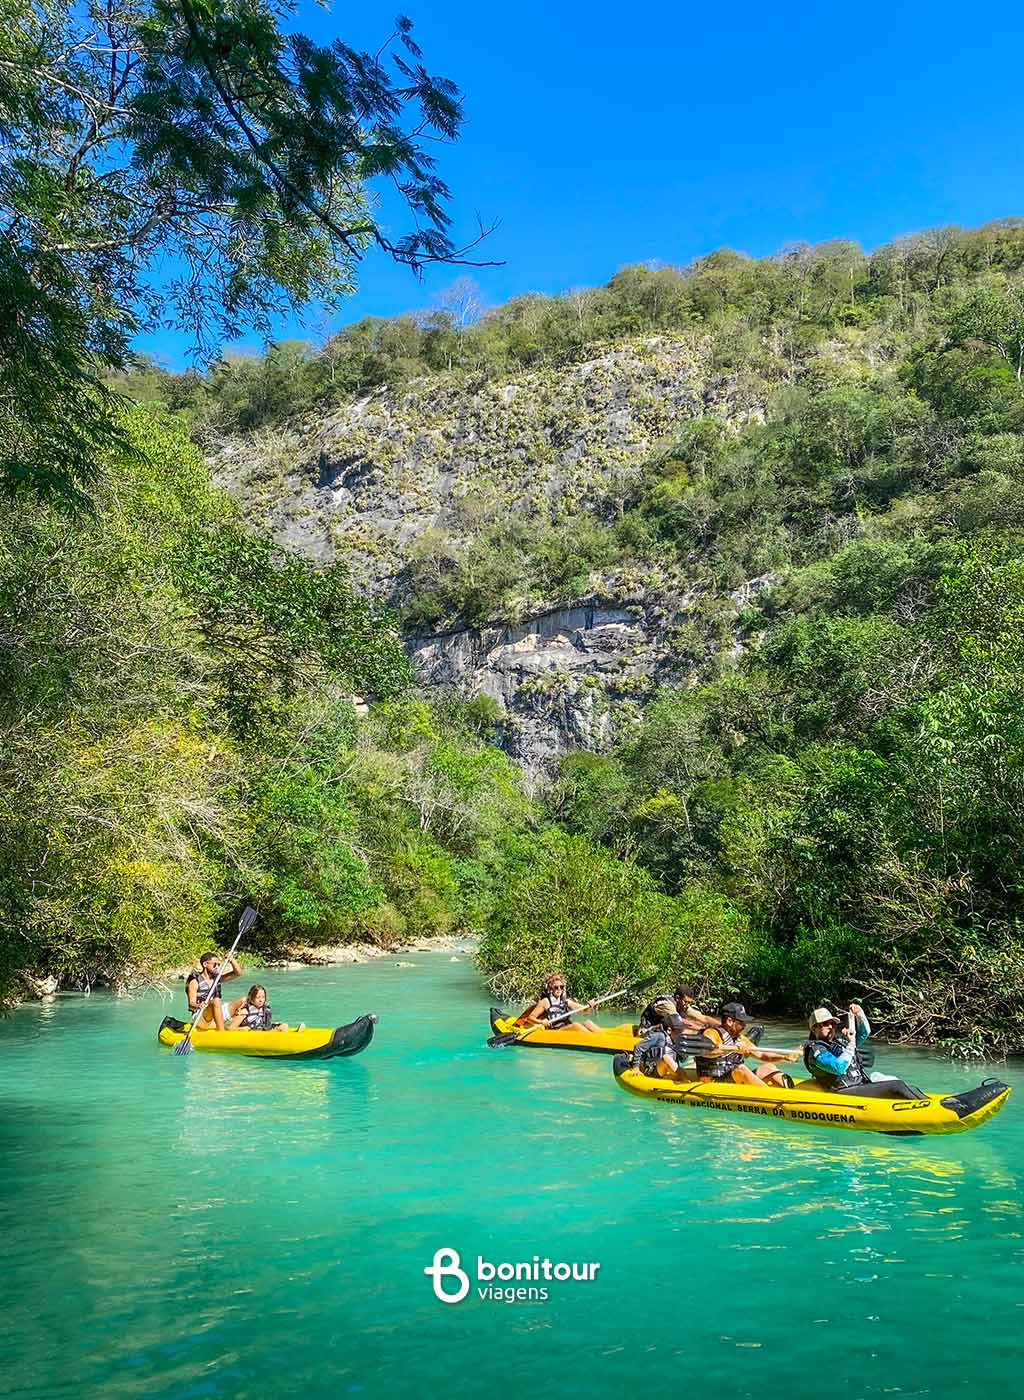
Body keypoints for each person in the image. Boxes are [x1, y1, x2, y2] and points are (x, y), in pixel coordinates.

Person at [804, 1005, 924, 1100]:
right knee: (896, 1086)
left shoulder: (840, 1041)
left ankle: (930, 1103)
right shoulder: (817, 1050)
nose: (830, 1027)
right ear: (814, 1029)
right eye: (825, 1024)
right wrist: (851, 1044)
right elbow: (837, 1067)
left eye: (833, 1024)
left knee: (910, 1087)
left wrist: (860, 1014)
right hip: (841, 1091)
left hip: (859, 1084)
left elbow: (864, 1033)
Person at [694, 1002, 801, 1088]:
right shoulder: (711, 1033)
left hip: (732, 1079)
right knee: (741, 1069)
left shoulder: (740, 1039)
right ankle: (772, 1098)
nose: (745, 1026)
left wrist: (784, 1057)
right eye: (741, 1022)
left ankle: (789, 1093)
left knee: (769, 1067)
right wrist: (733, 1049)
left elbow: (762, 1055)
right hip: (713, 1082)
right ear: (730, 1021)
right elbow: (706, 1051)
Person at [520, 973, 600, 1034]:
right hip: (556, 1030)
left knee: (587, 1022)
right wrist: (541, 1022)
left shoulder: (566, 1001)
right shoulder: (545, 1002)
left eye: (561, 987)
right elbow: (530, 1018)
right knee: (576, 1025)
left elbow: (585, 1010)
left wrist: (590, 1005)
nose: (559, 989)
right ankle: (597, 1040)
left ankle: (605, 1038)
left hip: (567, 1027)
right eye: (556, 987)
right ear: (551, 988)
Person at [185, 950, 242, 1032]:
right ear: (205, 964)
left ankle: (232, 1027)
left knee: (243, 1000)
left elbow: (238, 973)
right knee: (216, 1001)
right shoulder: (194, 981)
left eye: (219, 964)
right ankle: (222, 1033)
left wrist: (232, 960)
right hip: (201, 1015)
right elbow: (191, 1003)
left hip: (216, 1012)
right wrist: (199, 1005)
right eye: (215, 964)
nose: (217, 967)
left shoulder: (217, 978)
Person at [227, 984, 302, 1033]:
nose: (261, 1000)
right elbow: (230, 1028)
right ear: (251, 999)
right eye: (258, 997)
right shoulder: (245, 1011)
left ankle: (294, 1033)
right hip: (253, 1033)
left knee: (284, 1025)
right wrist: (242, 1029)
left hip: (262, 1030)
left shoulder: (265, 1009)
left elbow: (267, 1025)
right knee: (278, 1029)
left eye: (263, 997)